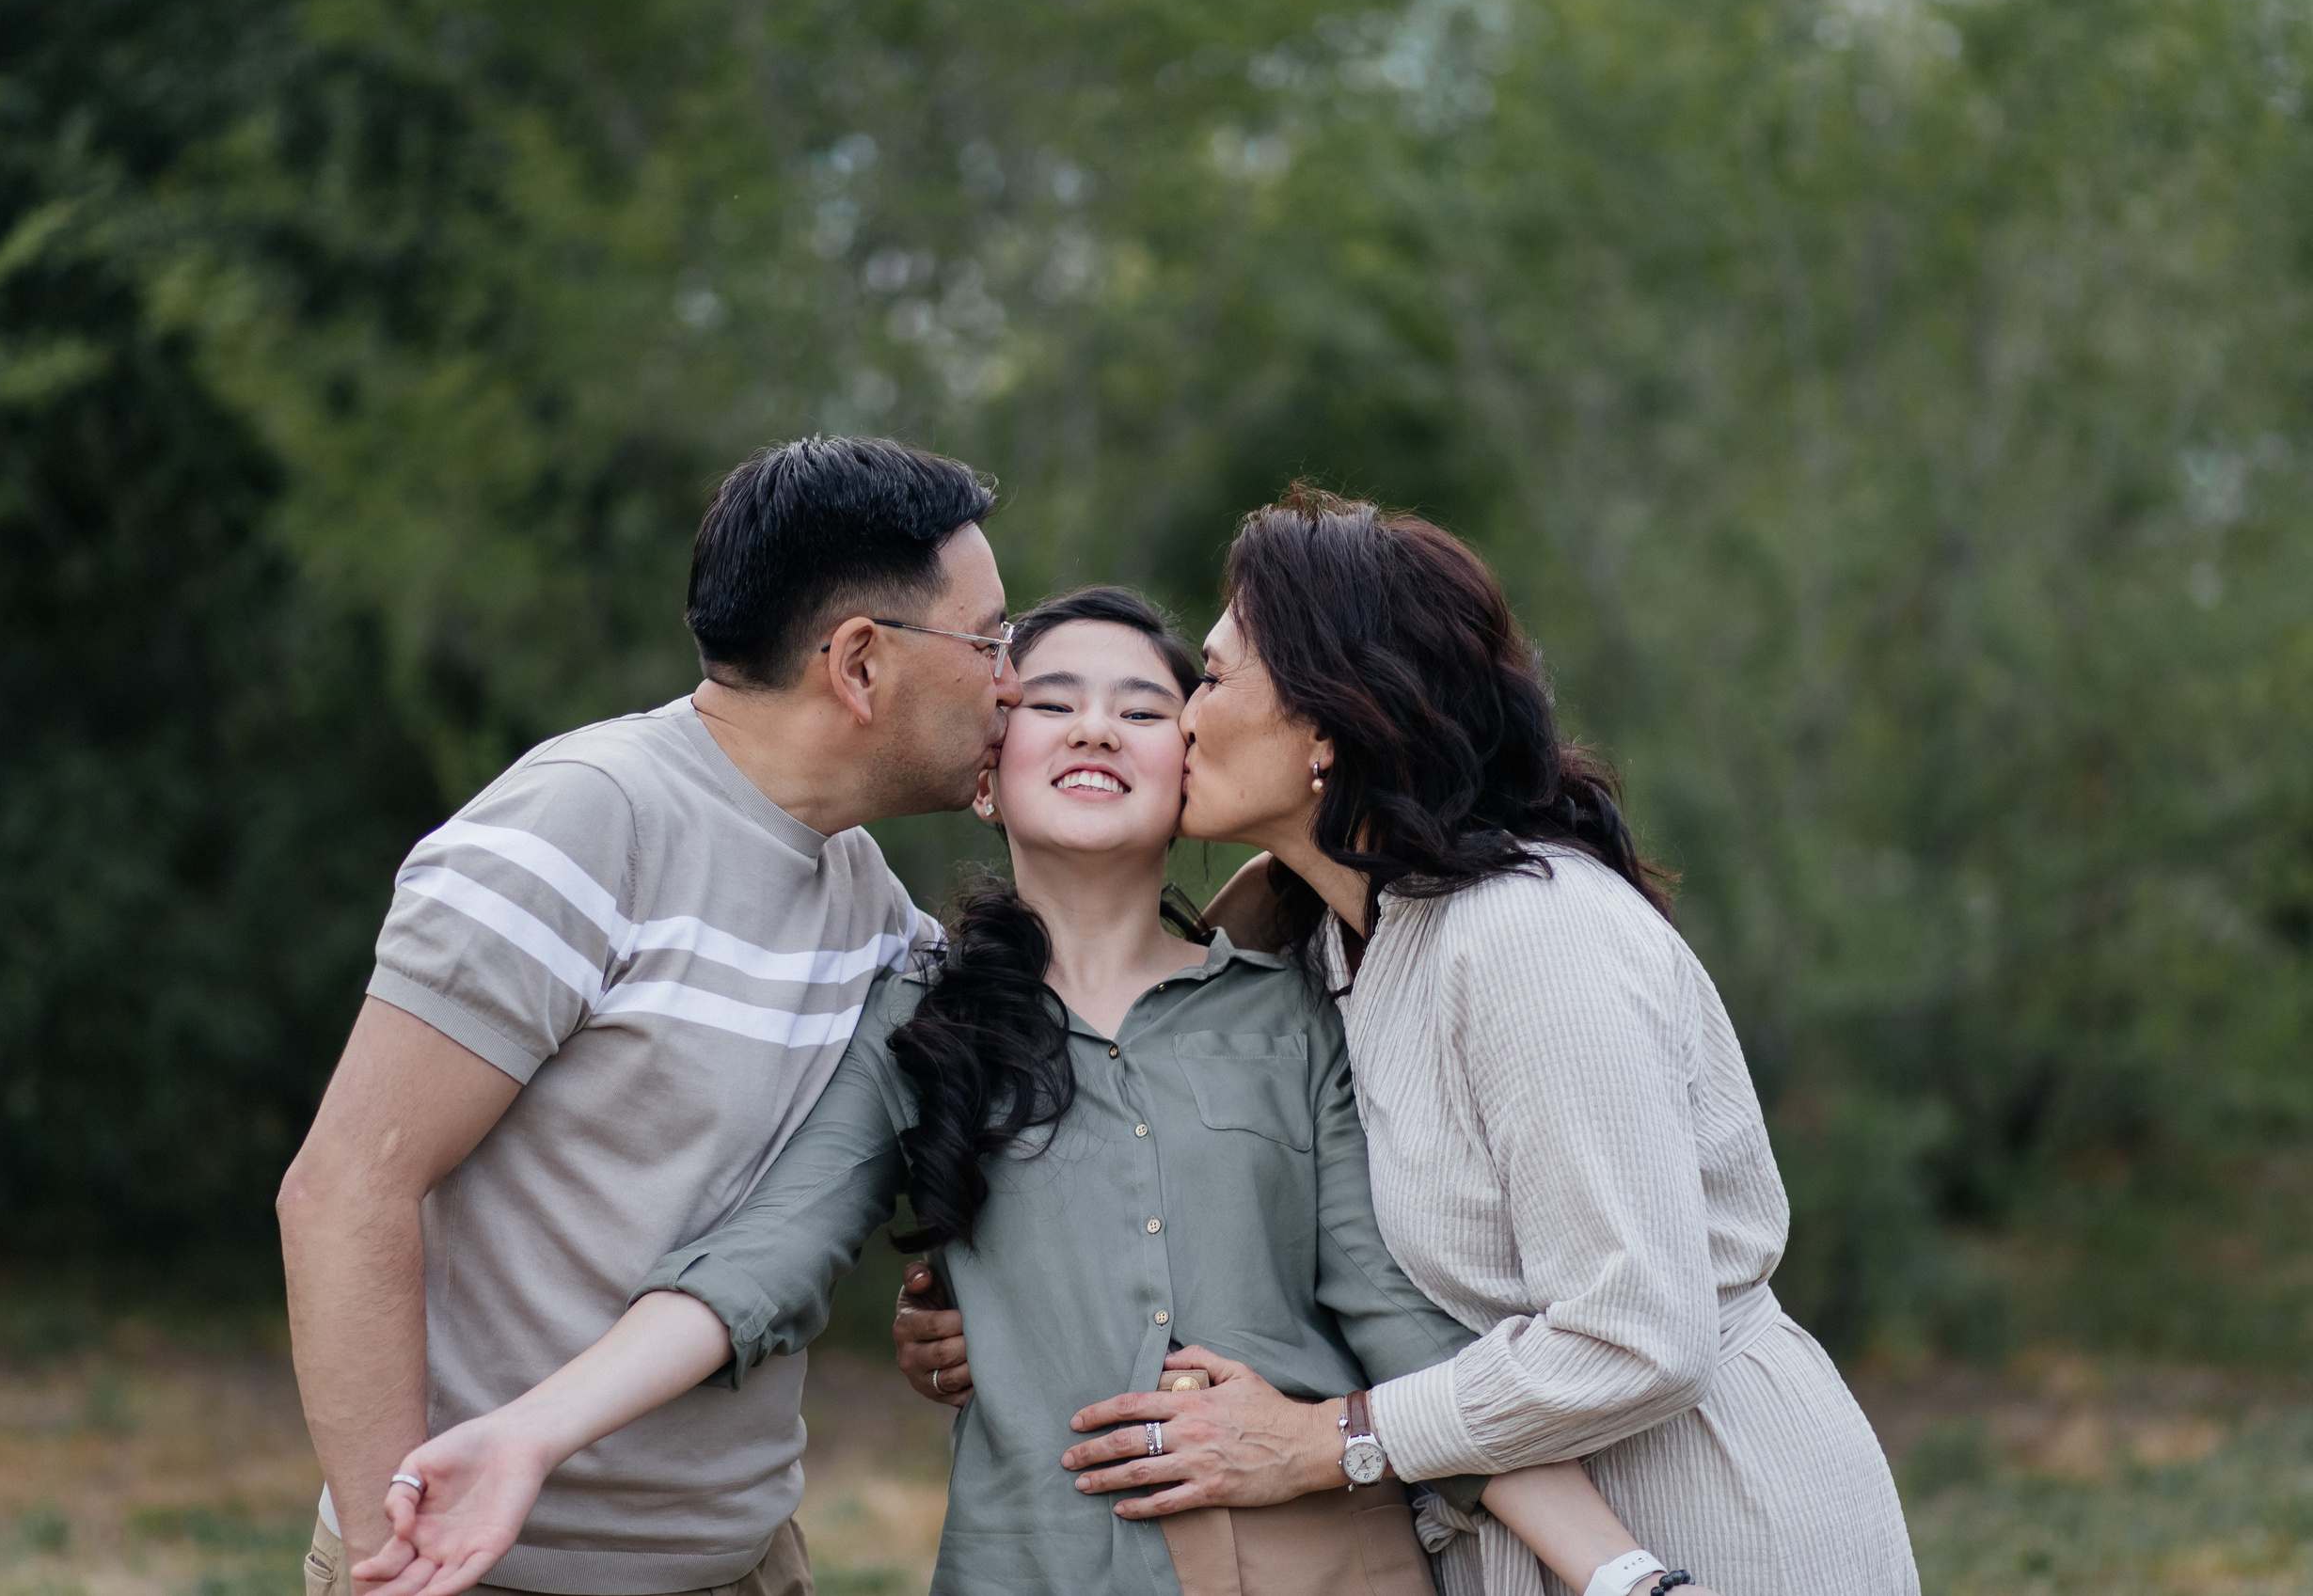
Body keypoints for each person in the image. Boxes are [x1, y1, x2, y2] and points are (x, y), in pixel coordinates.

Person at [345, 590, 1727, 1596]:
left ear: (1188, 764)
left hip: (1329, 1563)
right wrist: (527, 1429)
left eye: (1144, 704)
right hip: (1040, 1564)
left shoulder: (1296, 1002)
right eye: (1048, 699)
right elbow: (758, 1260)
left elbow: (1396, 1314)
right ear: (989, 772)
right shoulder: (920, 1013)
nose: (1097, 727)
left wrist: (1618, 1576)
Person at [1032, 486, 1922, 1595]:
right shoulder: (1332, 934)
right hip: (1517, 1529)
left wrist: (1323, 1443)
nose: (1181, 712)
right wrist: (999, 1294)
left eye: (1210, 677)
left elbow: (1636, 1335)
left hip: (1713, 1515)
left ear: (1324, 724)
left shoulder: (1526, 937)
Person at [276, 435, 1022, 1596]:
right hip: (489, 1573)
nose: (1011, 680)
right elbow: (343, 1195)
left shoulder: (866, 901)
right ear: (862, 664)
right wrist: (398, 1563)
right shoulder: (581, 825)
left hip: (743, 1566)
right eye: (990, 640)